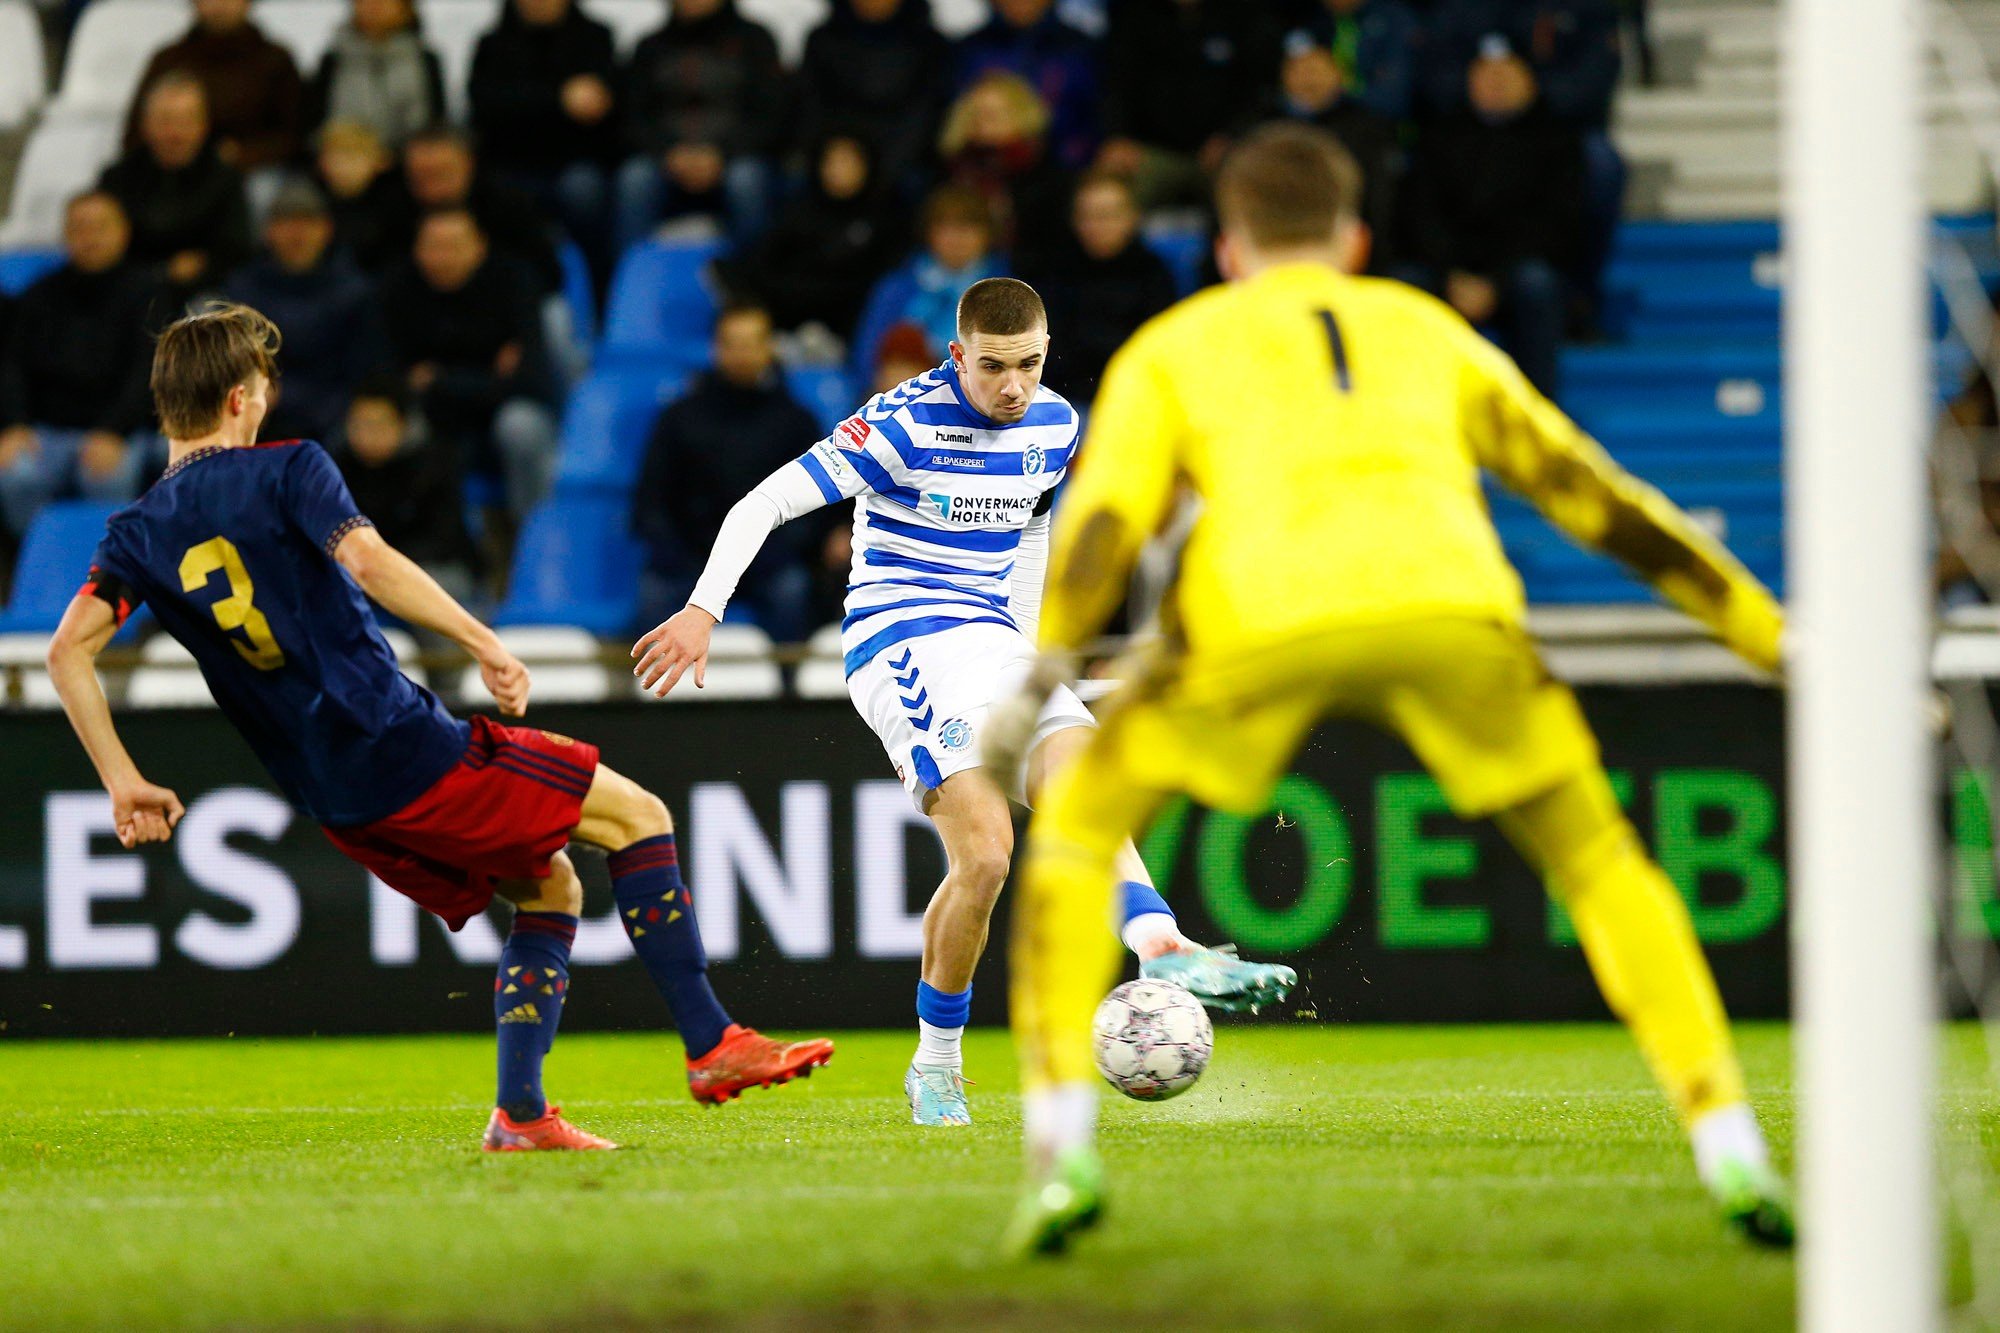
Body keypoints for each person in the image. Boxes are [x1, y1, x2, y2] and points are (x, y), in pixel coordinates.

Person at [983, 124, 1794, 1254]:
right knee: (1602, 864)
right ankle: (1730, 1147)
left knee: (1076, 837)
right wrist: (1766, 636)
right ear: (1354, 239)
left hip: (1253, 622)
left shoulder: (1176, 344)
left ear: (1225, 249)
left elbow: (1105, 528)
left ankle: (1060, 1153)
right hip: (1453, 610)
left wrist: (1043, 676)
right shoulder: (1425, 328)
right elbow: (1588, 493)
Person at [44, 302, 835, 1151]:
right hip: (397, 741)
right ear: (242, 398)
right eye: (265, 387)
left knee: (552, 886)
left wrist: (124, 780)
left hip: (335, 795)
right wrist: (483, 640)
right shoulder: (287, 469)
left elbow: (65, 654)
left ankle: (521, 1113)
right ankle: (713, 1042)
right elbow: (368, 559)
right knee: (639, 814)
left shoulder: (133, 536)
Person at [630, 277, 1294, 1128]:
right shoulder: (900, 422)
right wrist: (704, 608)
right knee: (985, 855)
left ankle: (1160, 944)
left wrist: (1027, 649)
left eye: (1028, 364)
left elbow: (1029, 531)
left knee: (1077, 776)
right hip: (898, 635)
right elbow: (764, 501)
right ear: (957, 356)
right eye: (992, 367)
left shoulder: (1054, 424)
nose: (1012, 385)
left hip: (991, 637)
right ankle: (939, 1060)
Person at [1396, 38, 1584, 395]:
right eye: (1485, 73)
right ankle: (1414, 411)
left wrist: (1494, 282)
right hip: (1449, 270)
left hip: (1515, 270)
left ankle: (1537, 414)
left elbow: (1557, 224)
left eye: (1505, 73)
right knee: (1406, 284)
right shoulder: (1440, 136)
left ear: (1529, 80)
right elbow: (1419, 215)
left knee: (1537, 284)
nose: (1495, 82)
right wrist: (1451, 273)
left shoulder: (1557, 140)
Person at [631, 304, 823, 641]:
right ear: (716, 349)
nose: (741, 354)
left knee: (792, 590)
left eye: (751, 343)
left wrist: (774, 552)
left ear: (770, 347)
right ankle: (653, 690)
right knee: (655, 592)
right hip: (691, 557)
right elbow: (650, 501)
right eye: (731, 344)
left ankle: (787, 691)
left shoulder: (796, 421)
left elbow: (818, 506)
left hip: (767, 560)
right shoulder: (680, 417)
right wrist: (680, 553)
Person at [380, 208, 559, 522]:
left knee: (521, 425)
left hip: (497, 418)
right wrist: (491, 379)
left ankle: (533, 537)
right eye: (432, 247)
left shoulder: (514, 282)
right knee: (380, 425)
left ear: (480, 247)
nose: (441, 257)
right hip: (436, 421)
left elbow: (533, 382)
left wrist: (439, 381)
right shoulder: (398, 289)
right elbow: (385, 379)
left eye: (453, 246)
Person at [0, 193, 161, 540]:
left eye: (100, 227)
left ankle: (108, 568)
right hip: (46, 430)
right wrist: (14, 424)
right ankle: (34, 561)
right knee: (15, 475)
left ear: (123, 233)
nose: (90, 237)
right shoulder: (39, 294)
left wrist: (114, 430)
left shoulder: (148, 292)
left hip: (117, 429)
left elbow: (147, 370)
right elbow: (13, 365)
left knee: (108, 476)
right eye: (79, 228)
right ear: (66, 235)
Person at [467, 0, 620, 288]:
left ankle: (602, 289)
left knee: (585, 190)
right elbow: (486, 109)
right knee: (499, 196)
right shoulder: (493, 44)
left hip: (578, 162)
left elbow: (608, 108)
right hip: (511, 163)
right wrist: (559, 101)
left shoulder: (595, 38)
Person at [223, 178, 389, 443]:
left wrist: (287, 396)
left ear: (327, 229)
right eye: (286, 223)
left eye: (307, 223)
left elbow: (365, 372)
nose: (297, 234)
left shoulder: (355, 292)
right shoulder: (243, 290)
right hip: (260, 417)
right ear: (268, 231)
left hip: (333, 420)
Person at [617, 0, 786, 254]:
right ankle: (625, 282)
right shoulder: (651, 46)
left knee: (746, 181)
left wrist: (722, 154)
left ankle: (757, 282)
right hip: (666, 159)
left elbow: (771, 115)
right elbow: (634, 116)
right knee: (635, 180)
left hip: (735, 157)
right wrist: (669, 153)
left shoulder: (754, 40)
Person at [1096, 0, 1283, 209]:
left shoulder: (1244, 15)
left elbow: (1260, 90)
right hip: (1152, 150)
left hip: (1223, 150)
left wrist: (1231, 135)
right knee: (1107, 188)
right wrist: (1118, 135)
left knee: (1255, 186)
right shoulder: (1135, 14)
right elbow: (1118, 83)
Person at [720, 136, 907, 341]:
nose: (837, 171)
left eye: (847, 162)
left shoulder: (884, 217)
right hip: (786, 315)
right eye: (831, 162)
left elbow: (875, 282)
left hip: (843, 324)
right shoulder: (798, 209)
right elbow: (766, 262)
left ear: (866, 167)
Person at [1025, 170, 1176, 403]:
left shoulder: (1155, 274)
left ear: (1132, 217)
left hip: (1136, 397)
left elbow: (1160, 349)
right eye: (1088, 216)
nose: (1097, 226)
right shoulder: (1055, 272)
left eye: (1108, 215)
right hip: (1067, 399)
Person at [99, 73, 252, 302]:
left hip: (205, 293)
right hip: (130, 292)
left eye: (186, 121)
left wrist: (201, 264)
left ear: (204, 124)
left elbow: (236, 249)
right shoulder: (118, 178)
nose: (175, 133)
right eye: (166, 121)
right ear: (146, 124)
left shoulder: (225, 178)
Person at [1255, 26, 1400, 267]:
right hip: (1276, 253)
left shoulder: (1368, 126)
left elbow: (1379, 203)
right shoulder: (1262, 127)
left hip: (1351, 252)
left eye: (1316, 68)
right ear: (1284, 75)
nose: (1308, 78)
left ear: (1338, 73)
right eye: (1299, 69)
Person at [332, 376, 479, 604]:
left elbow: (444, 539)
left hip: (430, 566)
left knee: (428, 593)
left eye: (376, 425)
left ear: (402, 424)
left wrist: (384, 564)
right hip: (361, 570)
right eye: (357, 424)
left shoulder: (435, 464)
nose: (365, 435)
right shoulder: (336, 466)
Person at [122, 0, 305, 174]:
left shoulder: (275, 60)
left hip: (249, 170)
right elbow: (135, 133)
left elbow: (294, 135)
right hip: (172, 170)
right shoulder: (168, 60)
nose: (219, 5)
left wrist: (243, 154)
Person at [848, 186, 1003, 388]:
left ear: (987, 235)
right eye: (946, 228)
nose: (956, 239)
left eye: (967, 228)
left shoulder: (1005, 294)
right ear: (928, 232)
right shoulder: (897, 288)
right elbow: (865, 357)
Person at [793, 0, 951, 198]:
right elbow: (811, 106)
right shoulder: (823, 39)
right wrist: (836, 155)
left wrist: (885, 165)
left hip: (904, 155)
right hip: (837, 150)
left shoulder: (929, 45)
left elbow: (925, 113)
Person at [397, 127, 564, 298]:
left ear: (468, 164)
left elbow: (548, 274)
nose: (432, 188)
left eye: (442, 174)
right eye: (419, 177)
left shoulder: (508, 204)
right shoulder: (394, 209)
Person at [938, 72, 1073, 275]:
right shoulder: (947, 171)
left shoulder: (1049, 177)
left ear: (1023, 115)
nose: (984, 120)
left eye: (996, 112)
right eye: (977, 112)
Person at [953, 0, 1101, 171]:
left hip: (1066, 172)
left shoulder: (1080, 51)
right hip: (980, 174)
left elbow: (1092, 119)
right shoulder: (969, 51)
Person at [306, 0, 447, 153]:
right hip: (345, 164)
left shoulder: (425, 59)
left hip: (409, 162)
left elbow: (435, 121)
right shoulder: (334, 59)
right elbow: (316, 120)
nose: (374, 6)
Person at [314, 121, 404, 273]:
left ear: (380, 162)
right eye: (334, 157)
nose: (342, 166)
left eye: (352, 157)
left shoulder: (397, 204)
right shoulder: (310, 201)